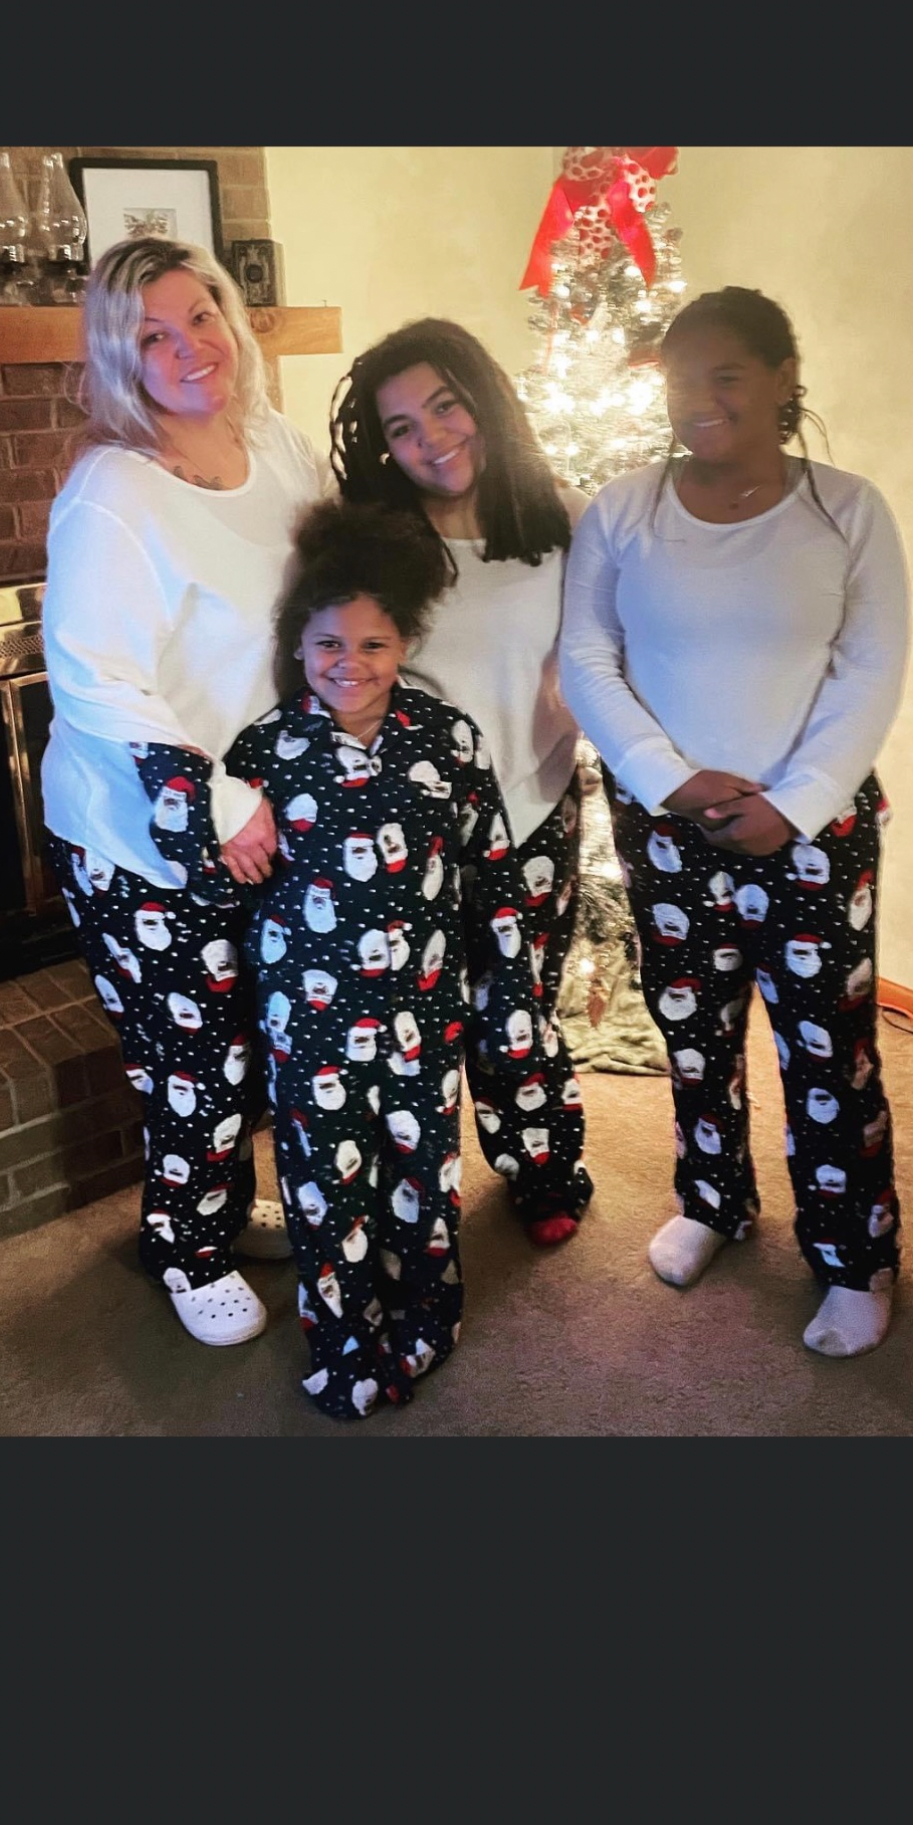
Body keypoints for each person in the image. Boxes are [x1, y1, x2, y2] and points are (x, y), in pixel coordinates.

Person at [153, 497, 575, 1420]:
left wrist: (506, 987)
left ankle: (427, 1315)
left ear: (406, 642)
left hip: (425, 1012)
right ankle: (344, 1342)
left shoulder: (448, 738)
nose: (351, 663)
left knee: (423, 1174)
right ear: (299, 648)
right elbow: (224, 881)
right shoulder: (262, 754)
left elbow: (491, 872)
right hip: (311, 1026)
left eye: (374, 644)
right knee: (324, 1189)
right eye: (328, 645)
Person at [559, 286, 911, 1359]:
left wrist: (793, 803)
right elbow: (588, 659)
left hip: (814, 832)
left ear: (782, 380)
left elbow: (871, 671)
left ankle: (853, 1258)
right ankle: (713, 1200)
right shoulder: (623, 510)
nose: (699, 399)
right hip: (667, 829)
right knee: (695, 1033)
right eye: (681, 378)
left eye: (728, 375)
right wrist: (669, 782)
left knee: (829, 1050)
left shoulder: (847, 511)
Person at [40, 233, 330, 1348]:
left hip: (262, 813)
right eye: (151, 335)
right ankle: (187, 1246)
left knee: (253, 1035)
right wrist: (218, 803)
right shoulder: (113, 490)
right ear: (121, 358)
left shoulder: (281, 446)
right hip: (140, 832)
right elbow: (92, 680)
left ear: (229, 316)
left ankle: (223, 1208)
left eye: (199, 315)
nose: (187, 347)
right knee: (192, 1062)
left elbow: (334, 601)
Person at [328, 319, 593, 1247]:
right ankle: (404, 1197)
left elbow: (602, 655)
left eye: (445, 406)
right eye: (402, 427)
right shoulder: (374, 541)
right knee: (414, 1022)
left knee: (521, 1012)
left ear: (484, 398)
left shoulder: (565, 520)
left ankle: (540, 1167)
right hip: (413, 826)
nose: (432, 438)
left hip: (537, 806)